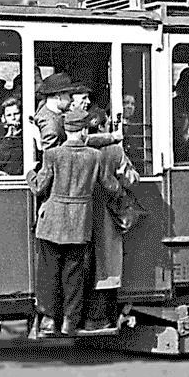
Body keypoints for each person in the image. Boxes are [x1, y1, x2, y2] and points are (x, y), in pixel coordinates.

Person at [26, 108, 124, 337]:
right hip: (80, 224)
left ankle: (48, 321)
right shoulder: (95, 156)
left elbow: (39, 187)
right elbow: (111, 186)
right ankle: (70, 322)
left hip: (51, 221)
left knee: (48, 273)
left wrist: (30, 173)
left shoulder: (52, 155)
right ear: (83, 130)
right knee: (74, 275)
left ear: (66, 130)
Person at [83, 107, 139, 333]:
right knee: (107, 266)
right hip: (107, 214)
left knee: (86, 265)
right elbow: (132, 180)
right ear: (104, 126)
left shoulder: (79, 149)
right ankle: (99, 318)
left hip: (83, 214)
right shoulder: (114, 151)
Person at [0, 96, 24, 176]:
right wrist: (8, 138)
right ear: (3, 118)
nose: (13, 118)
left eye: (16, 114)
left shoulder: (26, 135)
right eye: (9, 115)